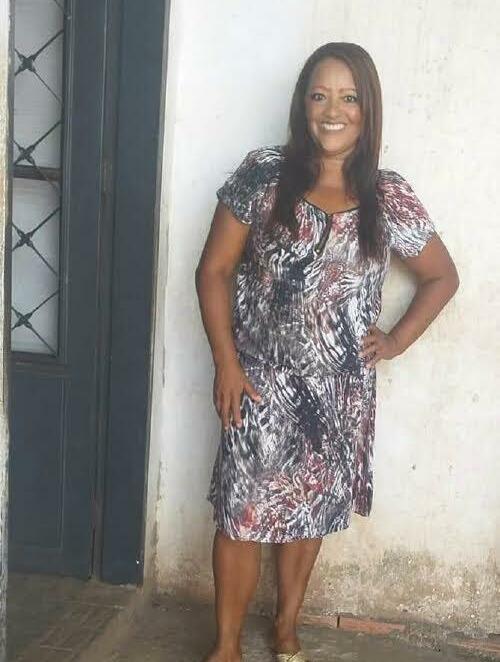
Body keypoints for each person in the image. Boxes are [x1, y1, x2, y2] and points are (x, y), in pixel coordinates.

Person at [195, 42, 459, 662]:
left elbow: (441, 276)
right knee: (241, 516)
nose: (332, 111)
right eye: (319, 95)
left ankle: (287, 629)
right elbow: (213, 271)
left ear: (368, 110)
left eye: (348, 97)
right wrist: (226, 363)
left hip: (338, 396)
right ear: (302, 105)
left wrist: (394, 340)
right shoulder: (264, 174)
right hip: (257, 383)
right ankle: (226, 648)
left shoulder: (387, 196)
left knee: (308, 514)